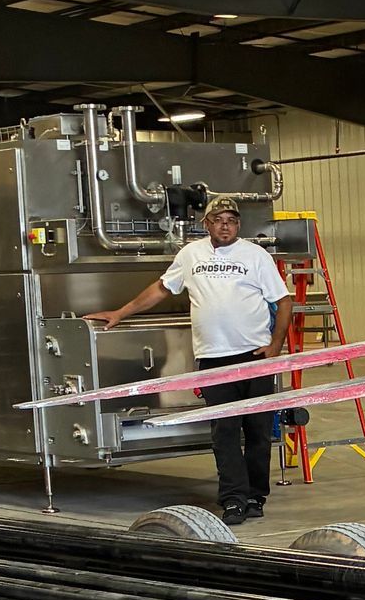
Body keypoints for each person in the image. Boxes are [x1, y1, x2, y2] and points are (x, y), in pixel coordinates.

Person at [89, 197, 294, 522]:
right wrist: (121, 312)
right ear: (206, 224)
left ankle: (256, 497)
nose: (225, 225)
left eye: (231, 220)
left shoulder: (256, 256)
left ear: (238, 225)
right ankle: (233, 501)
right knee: (224, 432)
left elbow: (283, 300)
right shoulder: (190, 255)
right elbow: (161, 289)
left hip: (255, 358)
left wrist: (276, 344)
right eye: (218, 219)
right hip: (213, 360)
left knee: (257, 431)